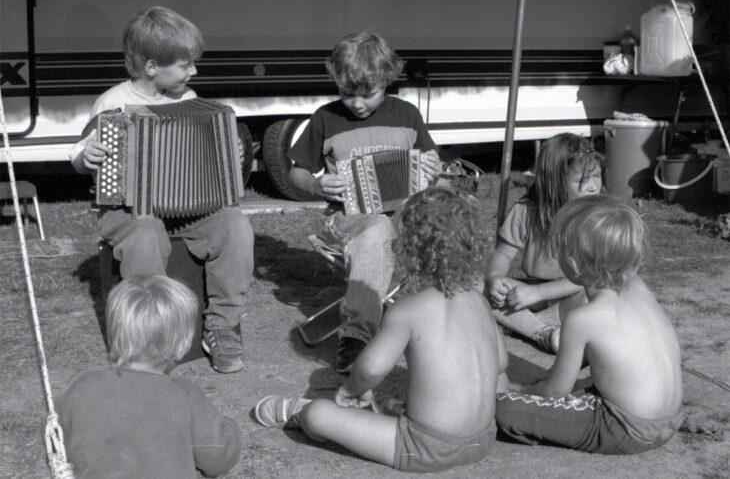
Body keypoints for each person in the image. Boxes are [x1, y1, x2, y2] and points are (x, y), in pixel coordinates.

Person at [253, 188, 508, 473]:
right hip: (483, 439)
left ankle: (298, 413)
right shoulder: (479, 301)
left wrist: (351, 390)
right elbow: (501, 363)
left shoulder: (408, 310)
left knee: (318, 414)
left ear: (409, 249)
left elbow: (371, 369)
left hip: (425, 447)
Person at [69, 6, 253, 373]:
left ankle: (222, 326)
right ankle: (150, 343)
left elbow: (208, 159)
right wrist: (85, 156)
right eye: (185, 65)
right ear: (153, 66)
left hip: (189, 212)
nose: (193, 72)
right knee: (146, 234)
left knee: (235, 225)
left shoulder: (188, 100)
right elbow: (80, 154)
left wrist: (231, 153)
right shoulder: (113, 103)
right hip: (127, 213)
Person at [287, 30, 442, 373]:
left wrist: (433, 167)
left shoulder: (406, 114)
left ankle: (449, 319)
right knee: (377, 226)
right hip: (347, 220)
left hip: (402, 216)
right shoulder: (326, 118)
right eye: (347, 93)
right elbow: (295, 174)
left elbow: (433, 164)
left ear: (387, 80)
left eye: (367, 94)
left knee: (438, 217)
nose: (356, 103)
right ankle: (357, 336)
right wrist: (316, 185)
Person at [496, 195, 683, 454]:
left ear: (572, 263)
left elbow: (553, 392)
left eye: (558, 250)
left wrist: (520, 390)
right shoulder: (638, 287)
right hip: (669, 419)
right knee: (574, 384)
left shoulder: (583, 318)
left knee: (504, 408)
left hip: (624, 429)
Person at [57, 276, 242, 478]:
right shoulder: (186, 395)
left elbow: (53, 436)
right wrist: (230, 429)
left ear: (114, 334)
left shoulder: (84, 387)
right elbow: (218, 460)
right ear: (182, 344)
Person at [485, 133, 603, 353]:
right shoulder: (525, 211)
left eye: (597, 176)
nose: (593, 186)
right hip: (531, 292)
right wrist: (494, 279)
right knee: (475, 284)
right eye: (582, 181)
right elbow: (502, 255)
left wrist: (539, 292)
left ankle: (527, 327)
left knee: (595, 295)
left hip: (572, 296)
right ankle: (542, 330)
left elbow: (592, 277)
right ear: (555, 181)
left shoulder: (598, 217)